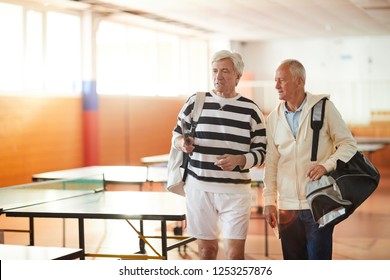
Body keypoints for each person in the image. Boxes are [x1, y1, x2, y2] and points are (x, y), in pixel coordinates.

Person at [171, 50, 266, 260]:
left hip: (235, 193)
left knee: (234, 255)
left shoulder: (251, 110)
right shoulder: (195, 102)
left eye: (225, 71)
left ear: (237, 77)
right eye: (214, 71)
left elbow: (262, 153)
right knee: (207, 252)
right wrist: (182, 144)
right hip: (199, 190)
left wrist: (241, 160)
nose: (218, 76)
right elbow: (176, 136)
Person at [263, 59, 357, 260]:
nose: (276, 86)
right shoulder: (273, 118)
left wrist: (326, 165)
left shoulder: (324, 108)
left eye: (281, 80)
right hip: (286, 207)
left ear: (299, 81)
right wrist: (269, 200)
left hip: (318, 202)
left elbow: (348, 144)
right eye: (275, 80)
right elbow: (271, 162)